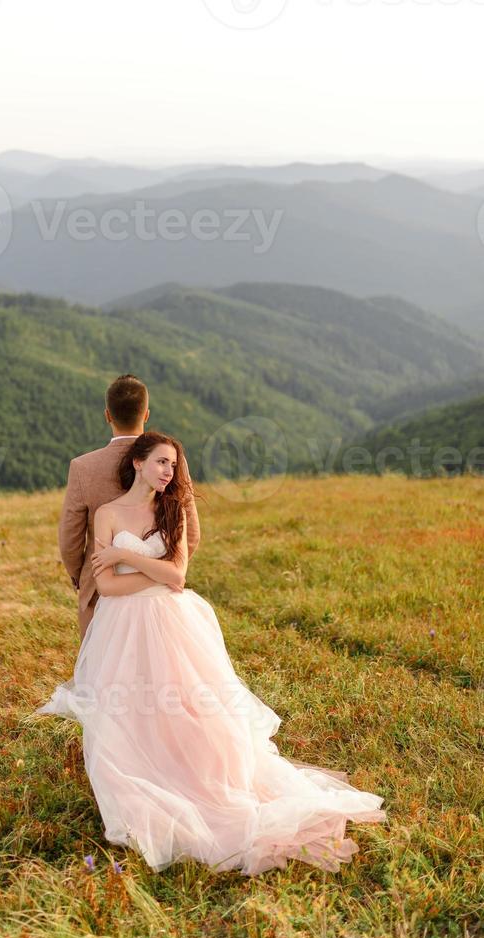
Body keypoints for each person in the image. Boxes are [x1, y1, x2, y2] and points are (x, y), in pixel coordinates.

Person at [34, 430, 386, 876]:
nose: (169, 472)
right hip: (121, 627)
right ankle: (148, 775)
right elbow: (106, 586)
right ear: (138, 462)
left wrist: (139, 563)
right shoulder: (106, 514)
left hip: (172, 621)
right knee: (132, 709)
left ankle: (201, 779)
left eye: (173, 466)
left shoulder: (172, 509)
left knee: (188, 704)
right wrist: (157, 573)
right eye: (162, 462)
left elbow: (178, 576)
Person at [58, 373, 201, 640]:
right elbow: (190, 533)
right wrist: (165, 569)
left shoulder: (83, 467)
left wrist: (80, 575)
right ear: (146, 414)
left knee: (102, 674)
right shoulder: (172, 462)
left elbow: (70, 537)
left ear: (107, 416)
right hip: (161, 592)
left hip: (101, 587)